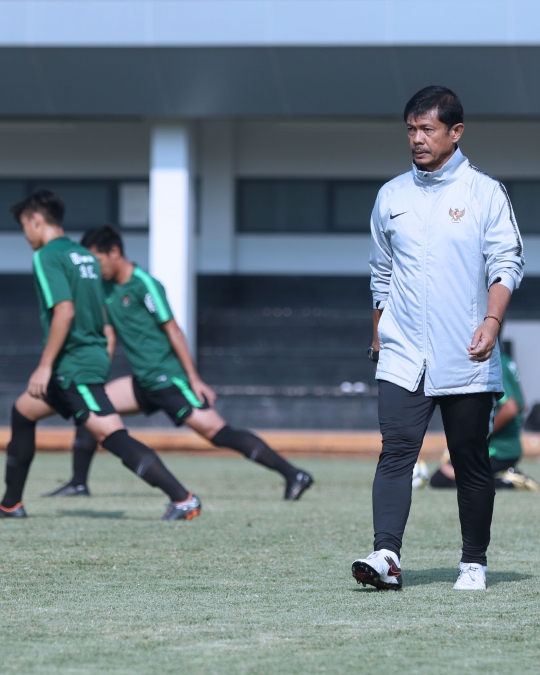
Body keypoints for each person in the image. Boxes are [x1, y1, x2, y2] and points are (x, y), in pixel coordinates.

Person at [351, 86, 524, 591]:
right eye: (411, 129)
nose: (417, 139)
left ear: (456, 132)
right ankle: (387, 556)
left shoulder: (485, 193)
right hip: (403, 351)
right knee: (396, 451)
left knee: (470, 459)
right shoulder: (391, 196)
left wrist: (491, 323)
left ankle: (474, 562)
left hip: (466, 353)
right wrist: (379, 332)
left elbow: (507, 263)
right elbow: (380, 272)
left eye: (427, 129)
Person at [43, 225, 313, 502]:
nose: (96, 269)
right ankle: (78, 483)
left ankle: (293, 474)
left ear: (114, 252)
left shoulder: (145, 284)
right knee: (91, 406)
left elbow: (173, 330)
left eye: (97, 261)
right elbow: (110, 335)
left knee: (218, 433)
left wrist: (194, 379)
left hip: (167, 379)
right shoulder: (106, 290)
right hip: (143, 382)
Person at [0, 190, 201, 521]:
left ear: (36, 219)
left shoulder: (47, 256)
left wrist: (44, 366)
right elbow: (102, 320)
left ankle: (183, 499)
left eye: (24, 225)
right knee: (23, 412)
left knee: (113, 436)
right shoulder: (86, 258)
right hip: (84, 359)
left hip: (73, 366)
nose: (25, 234)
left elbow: (64, 312)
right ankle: (11, 504)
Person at [430, 349, 539, 491]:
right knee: (451, 474)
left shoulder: (493, 361)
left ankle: (509, 482)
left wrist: (478, 435)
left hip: (498, 449)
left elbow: (510, 408)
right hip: (508, 447)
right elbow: (522, 405)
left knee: (441, 479)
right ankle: (507, 476)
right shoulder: (506, 359)